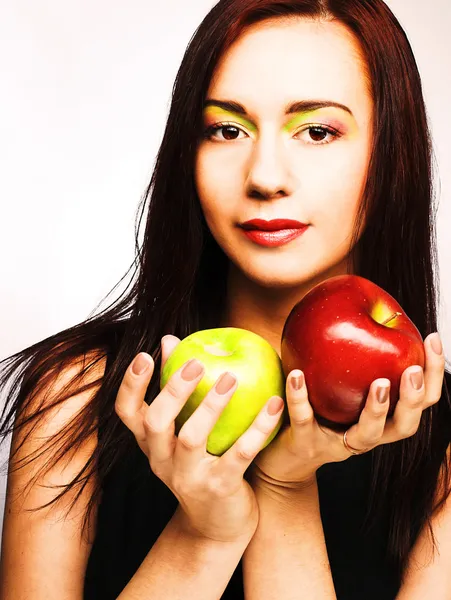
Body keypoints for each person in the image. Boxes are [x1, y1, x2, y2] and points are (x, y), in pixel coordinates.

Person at [0, 0, 450, 598]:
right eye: (227, 129)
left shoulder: (442, 450)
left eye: (316, 131)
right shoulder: (76, 397)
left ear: (390, 158)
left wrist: (286, 488)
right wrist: (205, 537)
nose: (265, 175)